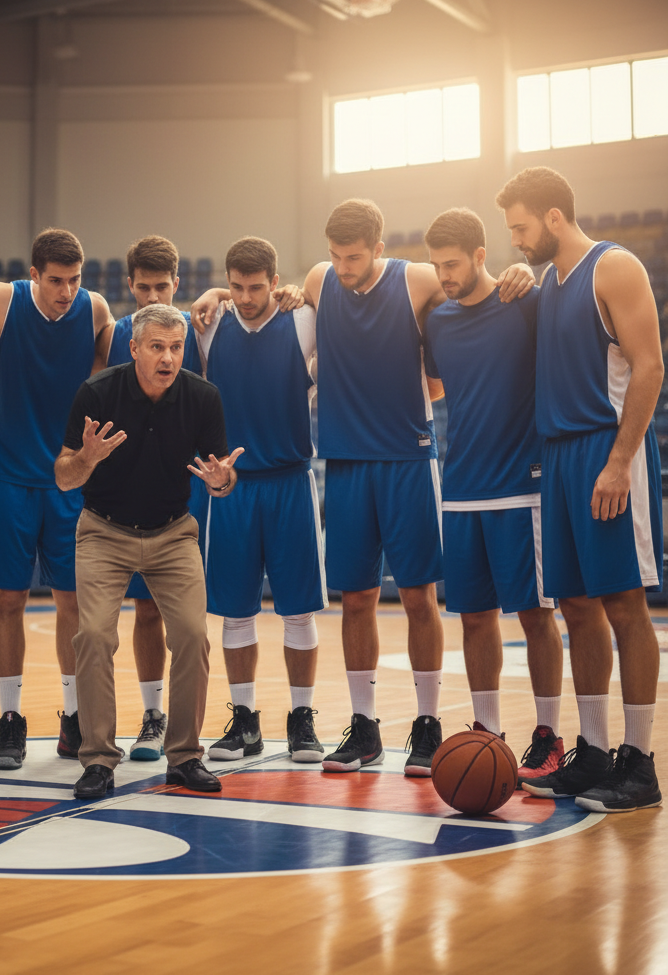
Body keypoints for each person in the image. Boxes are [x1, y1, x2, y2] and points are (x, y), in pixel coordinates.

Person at [219, 199, 534, 777]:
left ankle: (427, 723)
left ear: (379, 249)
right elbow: (259, 302)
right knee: (357, 599)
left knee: (418, 597)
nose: (343, 267)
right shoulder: (319, 279)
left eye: (354, 257)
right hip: (345, 463)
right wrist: (223, 295)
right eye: (336, 256)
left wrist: (520, 272)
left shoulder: (416, 280)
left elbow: (471, 295)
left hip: (407, 459)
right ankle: (364, 727)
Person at [496, 167, 662, 812]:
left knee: (624, 604)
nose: (516, 241)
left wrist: (619, 463)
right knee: (575, 607)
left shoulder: (613, 268)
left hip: (606, 449)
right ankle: (592, 752)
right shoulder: (548, 282)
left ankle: (639, 764)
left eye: (520, 228)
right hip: (558, 454)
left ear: (554, 217)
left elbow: (649, 367)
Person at [55, 303, 242, 799]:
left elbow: (222, 479)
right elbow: (63, 477)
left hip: (173, 533)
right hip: (104, 531)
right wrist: (87, 458)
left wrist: (221, 482)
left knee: (193, 635)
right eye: (156, 347)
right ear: (134, 348)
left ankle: (184, 757)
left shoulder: (203, 397)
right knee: (94, 636)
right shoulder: (97, 393)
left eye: (176, 347)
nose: (168, 358)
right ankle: (98, 760)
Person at [421, 208, 565, 782]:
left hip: (521, 487)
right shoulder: (438, 321)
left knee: (535, 616)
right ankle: (488, 731)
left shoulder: (525, 302)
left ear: (481, 256)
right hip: (461, 489)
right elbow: (436, 386)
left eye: (453, 264)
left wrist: (526, 275)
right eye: (436, 266)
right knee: (474, 619)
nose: (444, 275)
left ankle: (548, 736)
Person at [0, 229, 113, 769]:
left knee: (71, 603)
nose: (66, 291)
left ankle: (73, 718)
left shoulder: (94, 310)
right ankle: (10, 720)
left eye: (74, 280)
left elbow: (105, 367)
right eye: (55, 280)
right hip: (7, 474)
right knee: (8, 600)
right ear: (33, 275)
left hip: (69, 478)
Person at [196, 237, 326, 764]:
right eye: (236, 287)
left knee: (298, 611)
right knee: (234, 613)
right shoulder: (208, 325)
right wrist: (213, 295)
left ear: (275, 282)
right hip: (231, 487)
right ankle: (245, 722)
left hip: (291, 480)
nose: (246, 297)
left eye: (256, 287)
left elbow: (325, 296)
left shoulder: (303, 321)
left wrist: (301, 293)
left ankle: (302, 721)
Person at [104, 235, 204, 762]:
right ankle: (152, 715)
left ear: (177, 284)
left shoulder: (197, 328)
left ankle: (207, 724)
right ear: (130, 286)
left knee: (189, 622)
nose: (152, 297)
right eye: (143, 288)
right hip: (130, 490)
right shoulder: (115, 335)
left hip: (182, 489)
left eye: (161, 287)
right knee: (144, 611)